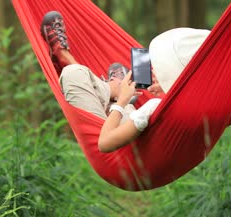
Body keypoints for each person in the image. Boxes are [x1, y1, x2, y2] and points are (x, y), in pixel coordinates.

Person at [41, 11, 210, 153]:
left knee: (73, 73)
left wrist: (121, 100)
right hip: (134, 125)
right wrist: (165, 89)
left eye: (162, 69)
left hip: (113, 145)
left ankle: (70, 62)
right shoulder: (204, 107)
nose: (156, 72)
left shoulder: (153, 107)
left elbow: (104, 143)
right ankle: (112, 93)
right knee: (126, 104)